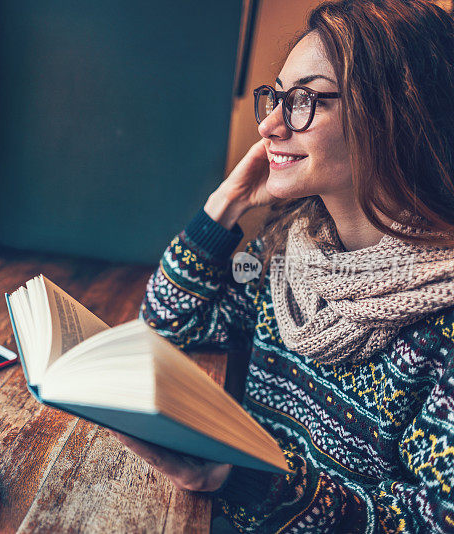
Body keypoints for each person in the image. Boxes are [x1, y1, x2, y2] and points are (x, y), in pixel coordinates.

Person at [111, 0, 454, 531]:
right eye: (274, 97)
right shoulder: (289, 251)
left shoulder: (441, 327)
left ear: (393, 115)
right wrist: (224, 204)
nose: (270, 124)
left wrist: (240, 477)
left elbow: (431, 523)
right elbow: (171, 324)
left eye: (302, 100)